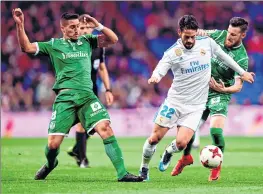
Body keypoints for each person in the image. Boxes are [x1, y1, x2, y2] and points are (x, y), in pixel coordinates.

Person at [12, 8, 143, 182]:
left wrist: (98, 25)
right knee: (53, 145)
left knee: (105, 128)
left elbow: (113, 39)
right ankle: (50, 164)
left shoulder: (87, 41)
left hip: (87, 97)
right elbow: (26, 47)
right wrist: (20, 25)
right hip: (65, 100)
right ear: (63, 29)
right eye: (72, 27)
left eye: (78, 26)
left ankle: (122, 173)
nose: (76, 30)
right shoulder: (53, 45)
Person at [138, 15, 254, 181]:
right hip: (175, 102)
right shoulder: (173, 52)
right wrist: (155, 76)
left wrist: (242, 73)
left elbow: (224, 57)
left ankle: (169, 153)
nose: (191, 40)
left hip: (198, 104)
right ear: (179, 33)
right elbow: (161, 66)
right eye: (187, 37)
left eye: (193, 36)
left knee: (182, 143)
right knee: (154, 138)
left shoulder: (207, 43)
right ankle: (144, 168)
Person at [67, 14, 114, 168]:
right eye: (82, 27)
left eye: (88, 27)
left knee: (93, 124)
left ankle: (77, 150)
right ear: (77, 29)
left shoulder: (97, 46)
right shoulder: (72, 47)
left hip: (92, 91)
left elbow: (101, 67)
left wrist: (108, 89)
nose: (86, 30)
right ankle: (82, 159)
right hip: (78, 90)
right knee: (83, 124)